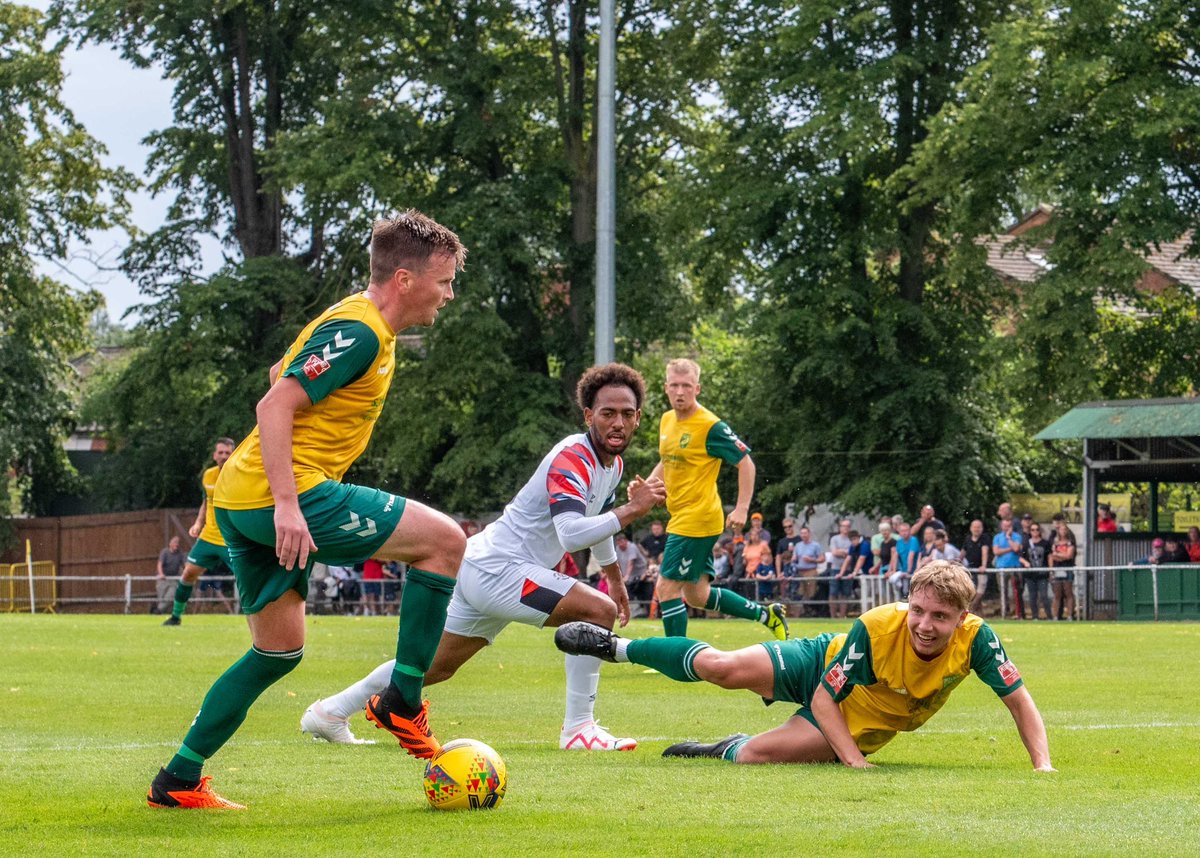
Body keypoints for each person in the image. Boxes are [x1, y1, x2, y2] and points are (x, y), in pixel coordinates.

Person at [147, 211, 469, 809]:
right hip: (280, 496)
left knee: (278, 651)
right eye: (445, 281)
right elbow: (274, 404)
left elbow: (281, 373)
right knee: (445, 542)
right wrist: (289, 505)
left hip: (242, 498)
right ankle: (402, 699)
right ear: (404, 279)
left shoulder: (354, 320)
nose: (449, 294)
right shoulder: (362, 331)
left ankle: (177, 780)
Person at [299, 363, 666, 753]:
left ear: (638, 418)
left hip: (487, 566)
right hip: (500, 570)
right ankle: (579, 729)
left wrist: (614, 577)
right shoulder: (573, 457)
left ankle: (330, 712)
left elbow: (597, 523)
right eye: (608, 413)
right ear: (589, 415)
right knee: (597, 612)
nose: (618, 423)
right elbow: (571, 533)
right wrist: (634, 510)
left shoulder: (612, 465)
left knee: (431, 666)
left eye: (627, 414)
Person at [555, 560, 1054, 772]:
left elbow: (1020, 701)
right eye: (917, 611)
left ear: (961, 618)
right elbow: (823, 694)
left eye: (939, 617)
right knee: (723, 667)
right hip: (822, 664)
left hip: (859, 719)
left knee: (754, 757)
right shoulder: (877, 627)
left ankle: (722, 746)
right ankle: (617, 647)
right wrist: (855, 765)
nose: (923, 625)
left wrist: (1042, 767)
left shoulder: (977, 640)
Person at [647, 358, 787, 640]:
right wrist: (648, 487)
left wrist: (742, 508)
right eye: (674, 385)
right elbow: (667, 459)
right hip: (682, 515)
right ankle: (766, 614)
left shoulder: (710, 426)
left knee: (666, 589)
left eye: (687, 386)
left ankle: (677, 656)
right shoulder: (666, 420)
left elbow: (746, 463)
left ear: (697, 388)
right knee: (697, 595)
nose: (680, 391)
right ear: (665, 387)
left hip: (697, 519)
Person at [162, 438, 239, 625]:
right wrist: (198, 523)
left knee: (248, 580)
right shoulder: (208, 475)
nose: (223, 456)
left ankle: (262, 622)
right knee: (188, 574)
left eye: (227, 453)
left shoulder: (241, 475)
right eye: (220, 452)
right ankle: (175, 617)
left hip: (231, 539)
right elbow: (206, 502)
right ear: (214, 455)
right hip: (209, 537)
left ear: (234, 455)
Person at [830, 530, 870, 619]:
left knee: (869, 595)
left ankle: (868, 615)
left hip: (869, 574)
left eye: (854, 539)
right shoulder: (853, 546)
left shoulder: (865, 544)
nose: (853, 542)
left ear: (858, 537)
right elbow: (848, 559)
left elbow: (861, 559)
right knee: (863, 595)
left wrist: (854, 572)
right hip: (862, 575)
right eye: (851, 540)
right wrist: (841, 573)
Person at [992, 517, 1024, 618]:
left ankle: (1017, 613)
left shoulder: (1017, 536)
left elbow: (1016, 548)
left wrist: (1008, 538)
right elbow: (996, 551)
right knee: (1003, 591)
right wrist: (1010, 549)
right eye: (1005, 526)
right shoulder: (997, 537)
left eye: (1009, 526)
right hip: (1001, 568)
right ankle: (1005, 613)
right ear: (1001, 526)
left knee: (1016, 591)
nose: (1007, 528)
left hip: (1014, 567)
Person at [615, 531, 653, 614]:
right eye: (618, 543)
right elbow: (617, 562)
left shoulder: (632, 547)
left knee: (646, 594)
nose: (620, 545)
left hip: (641, 574)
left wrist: (627, 576)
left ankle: (649, 613)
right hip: (629, 577)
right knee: (628, 594)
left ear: (626, 541)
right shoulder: (618, 548)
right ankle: (630, 612)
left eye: (622, 542)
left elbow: (631, 563)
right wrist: (620, 575)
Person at [1020, 522, 1051, 621]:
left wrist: (1051, 570)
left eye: (1037, 529)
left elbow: (1049, 557)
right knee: (1032, 597)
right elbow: (1020, 557)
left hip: (1042, 574)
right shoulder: (1026, 544)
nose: (1035, 532)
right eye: (1032, 530)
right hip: (1030, 575)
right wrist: (1025, 563)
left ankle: (1049, 616)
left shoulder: (1045, 543)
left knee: (1044, 596)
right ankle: (1035, 616)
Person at [1048, 516, 1076, 621]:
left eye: (1065, 529)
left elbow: (1069, 555)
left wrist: (1058, 555)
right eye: (1061, 529)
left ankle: (1070, 615)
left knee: (1068, 592)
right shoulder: (1055, 543)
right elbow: (1052, 556)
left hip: (1067, 568)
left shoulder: (1070, 542)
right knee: (1057, 594)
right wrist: (1051, 570)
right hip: (1057, 569)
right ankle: (1055, 616)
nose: (1063, 531)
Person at [791, 525, 823, 611]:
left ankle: (812, 611)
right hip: (799, 572)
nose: (803, 535)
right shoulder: (798, 545)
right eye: (802, 533)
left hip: (811, 571)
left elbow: (822, 559)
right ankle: (802, 611)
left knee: (811, 593)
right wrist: (793, 559)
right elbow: (794, 558)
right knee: (800, 593)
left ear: (809, 534)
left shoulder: (816, 545)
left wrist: (812, 560)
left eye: (805, 533)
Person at [962, 519, 990, 614]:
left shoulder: (984, 538)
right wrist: (957, 562)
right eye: (975, 527)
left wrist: (983, 565)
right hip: (970, 569)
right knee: (972, 591)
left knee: (980, 590)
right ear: (971, 528)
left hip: (982, 570)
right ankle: (978, 614)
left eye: (978, 527)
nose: (976, 529)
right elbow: (963, 552)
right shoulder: (967, 539)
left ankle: (970, 610)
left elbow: (985, 551)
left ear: (982, 528)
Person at [154, 536, 187, 615]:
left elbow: (185, 565)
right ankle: (159, 613)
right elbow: (159, 564)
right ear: (170, 544)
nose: (177, 545)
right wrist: (161, 574)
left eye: (178, 543)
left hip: (173, 579)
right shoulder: (164, 552)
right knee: (161, 597)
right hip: (163, 579)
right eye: (175, 543)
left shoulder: (180, 554)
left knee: (171, 595)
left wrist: (186, 574)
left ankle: (157, 611)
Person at [889, 521, 918, 598]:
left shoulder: (913, 540)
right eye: (902, 531)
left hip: (914, 571)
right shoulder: (899, 541)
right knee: (893, 580)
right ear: (899, 532)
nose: (904, 533)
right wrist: (893, 570)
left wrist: (908, 571)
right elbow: (895, 556)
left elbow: (911, 556)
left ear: (909, 531)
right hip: (903, 571)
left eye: (906, 530)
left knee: (911, 592)